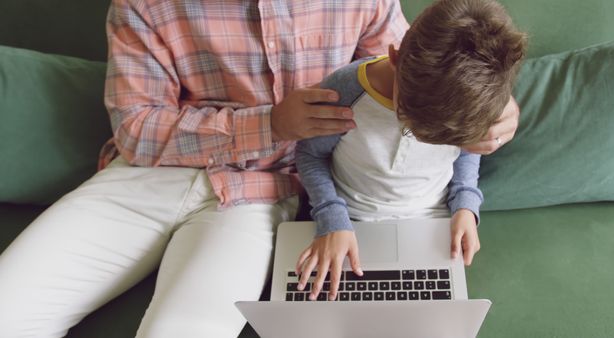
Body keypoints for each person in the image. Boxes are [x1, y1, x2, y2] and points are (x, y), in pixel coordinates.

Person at [0, 1, 520, 337]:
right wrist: (270, 123)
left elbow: (418, 79)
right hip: (143, 178)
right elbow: (136, 127)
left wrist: (498, 110)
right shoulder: (146, 6)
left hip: (257, 196)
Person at [295, 0, 526, 302]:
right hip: (350, 218)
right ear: (394, 56)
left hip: (432, 223)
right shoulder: (344, 92)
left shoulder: (471, 101)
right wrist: (331, 219)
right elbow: (310, 154)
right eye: (407, 118)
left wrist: (465, 205)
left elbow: (469, 151)